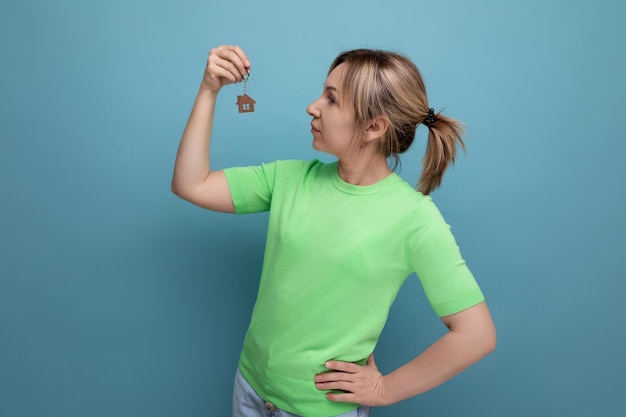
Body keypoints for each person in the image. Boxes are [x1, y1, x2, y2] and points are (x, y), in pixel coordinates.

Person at [172, 45, 496, 417]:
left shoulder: (415, 219)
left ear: (374, 126)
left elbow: (477, 334)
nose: (313, 106)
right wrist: (209, 89)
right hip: (249, 391)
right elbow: (190, 184)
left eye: (331, 99)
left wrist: (384, 388)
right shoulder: (290, 178)